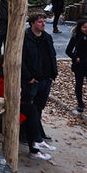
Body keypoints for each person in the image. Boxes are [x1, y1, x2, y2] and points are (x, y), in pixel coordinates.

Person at [0, 55, 55, 160]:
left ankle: (36, 145)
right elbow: (3, 102)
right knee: (30, 113)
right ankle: (36, 146)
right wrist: (18, 94)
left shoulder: (0, 78)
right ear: (3, 65)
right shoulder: (0, 80)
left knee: (30, 111)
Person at [21, 13, 57, 141]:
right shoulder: (25, 38)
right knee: (28, 107)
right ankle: (23, 133)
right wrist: (28, 77)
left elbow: (52, 55)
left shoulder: (47, 37)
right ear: (32, 23)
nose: (43, 24)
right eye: (39, 22)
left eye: (44, 22)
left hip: (46, 79)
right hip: (32, 80)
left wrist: (53, 73)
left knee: (39, 107)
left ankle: (37, 131)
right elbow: (21, 59)